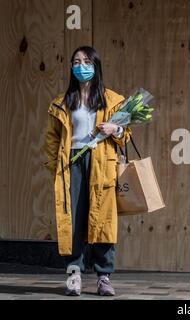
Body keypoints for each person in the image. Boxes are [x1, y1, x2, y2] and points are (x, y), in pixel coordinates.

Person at [43, 46, 132, 296]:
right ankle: (74, 272)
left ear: (96, 65)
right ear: (71, 68)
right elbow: (52, 138)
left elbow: (126, 135)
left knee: (104, 220)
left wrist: (116, 130)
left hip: (102, 162)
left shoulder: (112, 100)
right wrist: (55, 168)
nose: (81, 66)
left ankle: (104, 276)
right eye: (76, 62)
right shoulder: (61, 103)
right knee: (73, 218)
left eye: (86, 61)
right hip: (72, 162)